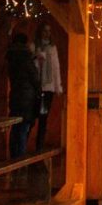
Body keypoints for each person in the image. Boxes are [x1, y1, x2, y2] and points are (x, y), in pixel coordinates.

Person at [6, 33, 41, 158]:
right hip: (27, 97)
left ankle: (13, 156)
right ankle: (20, 159)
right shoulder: (26, 59)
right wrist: (39, 90)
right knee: (24, 128)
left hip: (15, 96)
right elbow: (35, 79)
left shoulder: (11, 58)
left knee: (15, 128)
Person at [33, 23, 62, 152]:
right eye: (44, 31)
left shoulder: (52, 48)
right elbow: (32, 67)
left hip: (48, 88)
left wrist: (58, 87)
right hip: (36, 87)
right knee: (33, 117)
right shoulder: (34, 47)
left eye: (49, 31)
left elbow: (56, 68)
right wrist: (37, 58)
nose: (47, 33)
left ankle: (39, 147)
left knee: (44, 117)